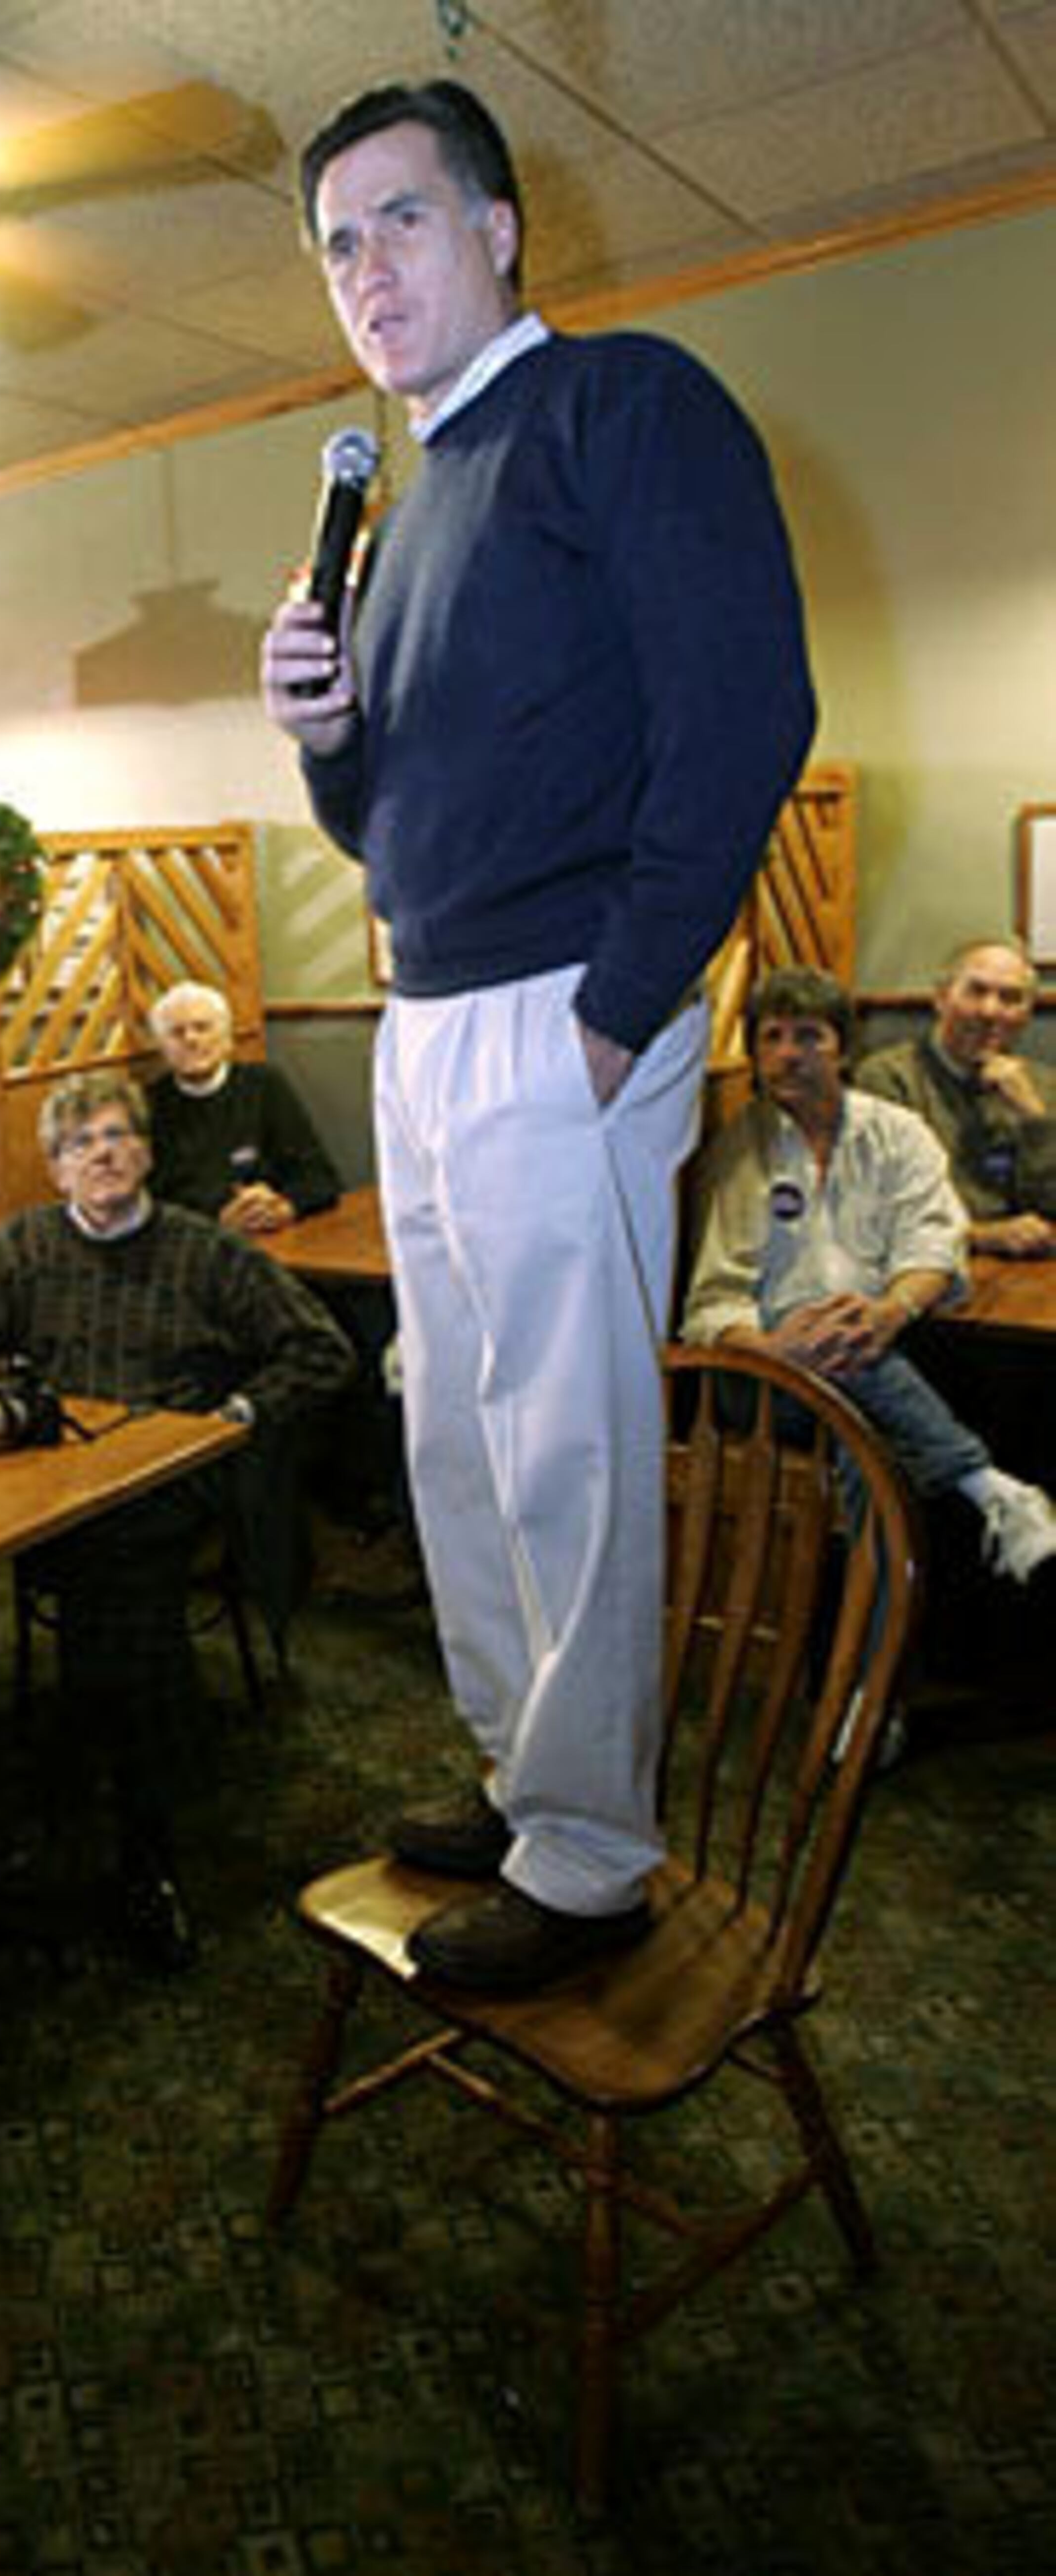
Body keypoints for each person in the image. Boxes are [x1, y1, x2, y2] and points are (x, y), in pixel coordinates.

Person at [260, 79, 816, 1992]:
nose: (368, 270)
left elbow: (748, 713)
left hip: (561, 1004)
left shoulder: (624, 408)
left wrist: (616, 1008)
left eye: (402, 220)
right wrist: (326, 735)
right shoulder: (398, 521)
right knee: (457, 1436)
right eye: (339, 242)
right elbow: (390, 826)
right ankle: (524, 1774)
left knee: (566, 1440)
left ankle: (592, 1854)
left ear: (502, 227)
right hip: (426, 1013)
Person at [0, 1071, 354, 1970]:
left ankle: (135, 1839)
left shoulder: (205, 1251)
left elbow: (321, 1351)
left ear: (149, 1152)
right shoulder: (26, 1244)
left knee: (115, 1573)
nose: (104, 1155)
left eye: (119, 1136)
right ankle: (51, 1798)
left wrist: (235, 1415)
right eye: (82, 1144)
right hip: (54, 1474)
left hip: (170, 1478)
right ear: (54, 1166)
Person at [683, 966, 1056, 1584]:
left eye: (809, 1037)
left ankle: (868, 1667)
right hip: (758, 1370)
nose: (787, 1055)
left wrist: (889, 1312)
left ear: (844, 1048)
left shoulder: (897, 1133)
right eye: (771, 1037)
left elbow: (936, 1246)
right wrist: (777, 1349)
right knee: (854, 1366)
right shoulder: (737, 1150)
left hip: (869, 1359)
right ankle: (988, 1486)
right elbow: (714, 1303)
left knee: (869, 1456)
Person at [856, 936, 1056, 1257]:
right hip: (921, 1267)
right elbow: (879, 1210)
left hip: (1028, 1273)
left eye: (1010, 998)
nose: (990, 1011)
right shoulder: (888, 1079)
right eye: (976, 991)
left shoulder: (1044, 1085)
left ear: (1026, 1015)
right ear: (941, 998)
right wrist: (980, 1236)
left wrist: (1035, 1119)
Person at [145, 981, 340, 1233]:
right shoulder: (148, 1105)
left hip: (277, 1237)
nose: (191, 1039)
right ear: (162, 1049)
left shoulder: (265, 1085)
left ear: (227, 1039)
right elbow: (151, 1204)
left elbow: (320, 1178)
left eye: (202, 1028)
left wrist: (284, 1207)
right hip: (197, 1246)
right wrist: (218, 1219)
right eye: (177, 1033)